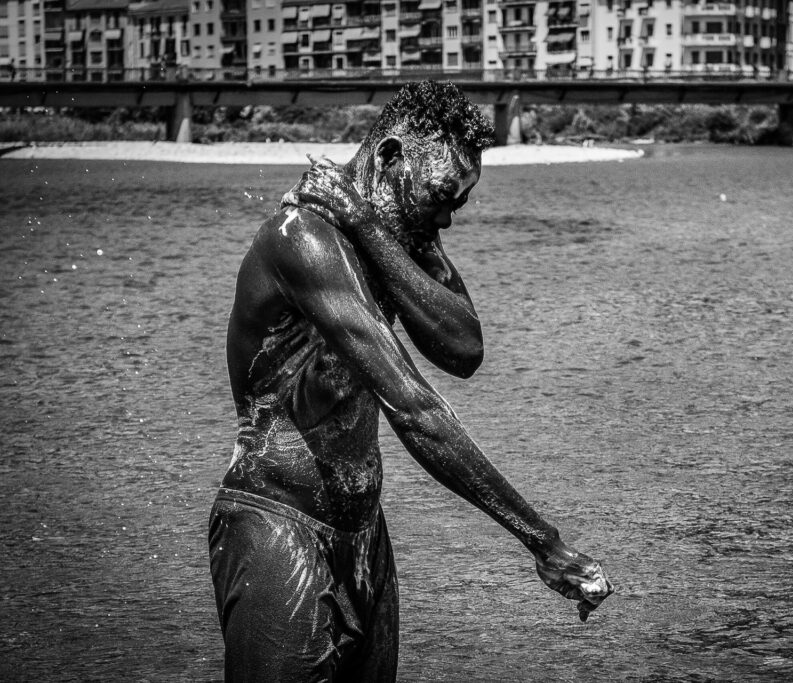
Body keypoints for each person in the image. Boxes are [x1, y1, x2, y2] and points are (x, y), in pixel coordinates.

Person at [208, 80, 614, 682]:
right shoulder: (302, 239)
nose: (448, 215)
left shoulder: (392, 231)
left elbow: (464, 348)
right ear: (393, 156)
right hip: (277, 526)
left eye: (461, 203)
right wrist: (542, 539)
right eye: (441, 194)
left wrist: (366, 223)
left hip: (365, 537)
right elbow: (413, 408)